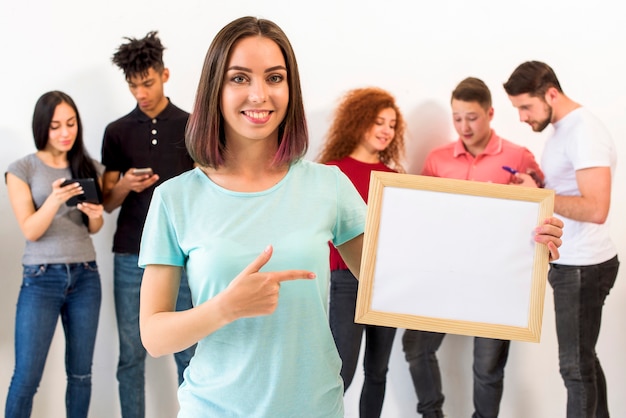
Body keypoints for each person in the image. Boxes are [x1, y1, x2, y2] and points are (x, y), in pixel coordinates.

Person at [137, 16, 563, 417]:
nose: (259, 94)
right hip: (214, 410)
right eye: (239, 78)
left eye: (275, 77)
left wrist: (519, 246)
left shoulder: (328, 186)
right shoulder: (176, 199)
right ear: (215, 87)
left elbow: (405, 282)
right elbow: (154, 336)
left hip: (314, 407)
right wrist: (225, 308)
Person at [401, 77, 545, 418]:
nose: (464, 126)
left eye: (472, 117)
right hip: (444, 275)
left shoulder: (518, 156)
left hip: (495, 280)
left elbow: (543, 210)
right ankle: (432, 413)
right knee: (415, 345)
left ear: (491, 113)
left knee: (487, 367)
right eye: (457, 117)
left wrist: (531, 190)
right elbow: (421, 215)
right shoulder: (437, 161)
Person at [504, 61, 619, 418]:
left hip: (584, 265)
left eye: (525, 107)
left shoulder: (584, 131)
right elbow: (565, 193)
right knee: (583, 360)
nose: (522, 117)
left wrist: (538, 196)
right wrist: (536, 188)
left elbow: (597, 208)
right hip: (572, 262)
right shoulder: (562, 129)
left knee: (574, 367)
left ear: (550, 93)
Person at [100, 31, 195, 418]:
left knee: (190, 355)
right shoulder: (117, 131)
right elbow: (106, 203)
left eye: (148, 83)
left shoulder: (191, 125)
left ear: (165, 75)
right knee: (131, 356)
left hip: (183, 256)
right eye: (133, 85)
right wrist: (123, 184)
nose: (141, 92)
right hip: (130, 255)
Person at [5, 91, 104, 418]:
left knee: (81, 374)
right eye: (56, 126)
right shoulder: (21, 169)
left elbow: (94, 228)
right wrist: (54, 198)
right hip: (41, 278)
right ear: (42, 128)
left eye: (71, 123)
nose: (65, 132)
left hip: (86, 276)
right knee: (26, 377)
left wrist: (94, 213)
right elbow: (31, 230)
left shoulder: (88, 166)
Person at [317, 87, 406, 418]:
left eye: (392, 124)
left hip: (389, 282)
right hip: (346, 281)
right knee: (343, 373)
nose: (386, 130)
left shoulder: (395, 178)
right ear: (358, 121)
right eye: (378, 121)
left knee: (378, 372)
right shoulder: (331, 171)